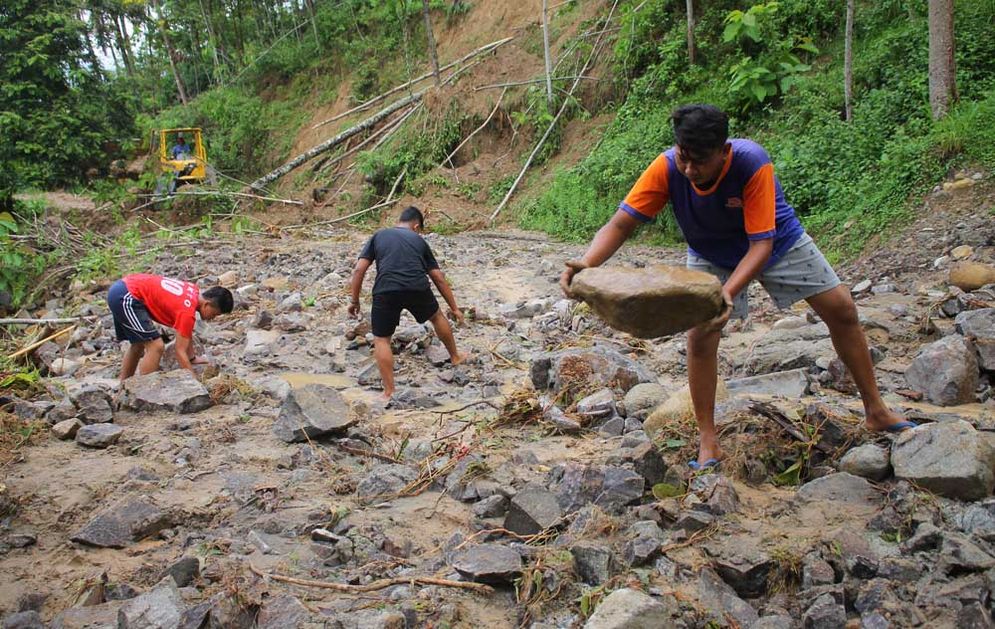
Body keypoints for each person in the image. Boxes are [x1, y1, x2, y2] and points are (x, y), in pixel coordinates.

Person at [560, 104, 915, 470]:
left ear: (724, 152)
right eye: (684, 158)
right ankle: (708, 441)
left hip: (777, 243)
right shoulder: (667, 167)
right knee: (701, 338)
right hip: (710, 249)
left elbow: (761, 245)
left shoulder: (751, 163)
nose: (690, 169)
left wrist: (726, 292)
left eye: (700, 161)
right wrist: (587, 263)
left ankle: (876, 410)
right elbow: (620, 224)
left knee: (842, 310)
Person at [349, 206, 467, 401]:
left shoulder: (379, 235)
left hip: (386, 290)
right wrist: (454, 308)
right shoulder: (418, 240)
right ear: (416, 226)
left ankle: (389, 391)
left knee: (381, 339)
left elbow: (359, 269)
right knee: (437, 317)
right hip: (417, 287)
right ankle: (455, 356)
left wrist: (354, 301)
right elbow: (438, 277)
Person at [107, 273, 233, 382]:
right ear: (207, 304)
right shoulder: (187, 312)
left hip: (123, 287)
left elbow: (185, 333)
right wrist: (193, 380)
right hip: (127, 296)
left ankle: (123, 390)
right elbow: (179, 351)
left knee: (138, 344)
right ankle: (145, 393)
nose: (213, 318)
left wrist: (192, 358)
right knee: (156, 346)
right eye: (215, 314)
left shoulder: (193, 290)